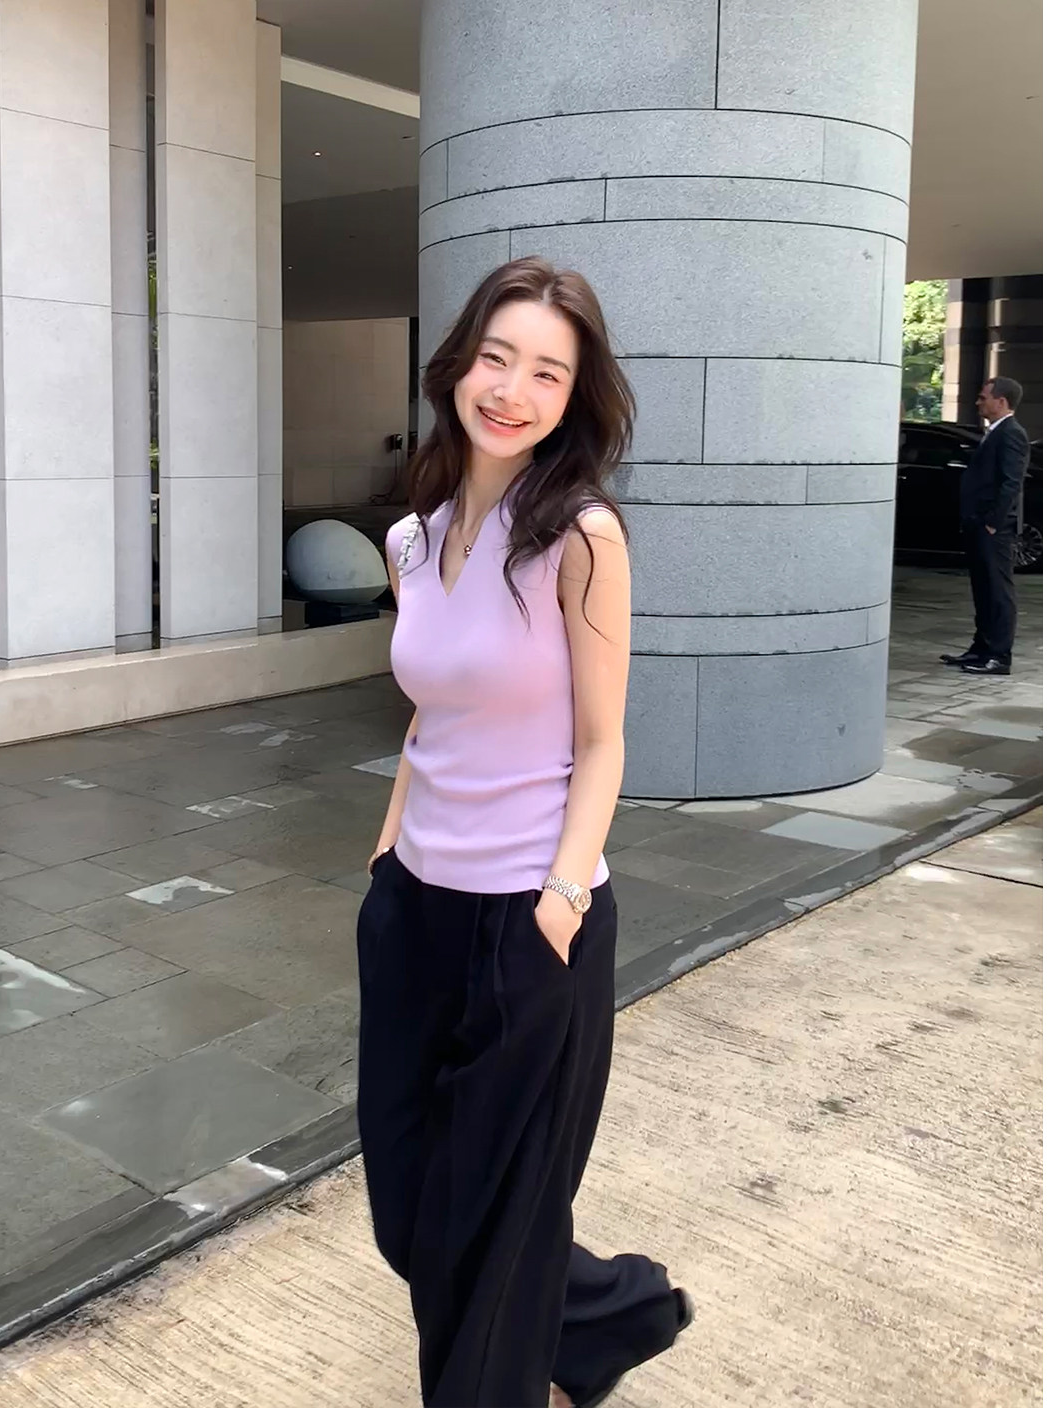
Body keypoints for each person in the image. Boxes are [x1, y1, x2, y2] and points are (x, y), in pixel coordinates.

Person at [355, 256, 694, 1408]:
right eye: (497, 358)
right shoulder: (413, 541)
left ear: (574, 396)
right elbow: (431, 708)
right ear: (458, 365)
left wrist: (560, 897)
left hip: (528, 920)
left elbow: (601, 741)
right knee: (413, 1214)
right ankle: (609, 1319)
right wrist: (388, 845)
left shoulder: (582, 536)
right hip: (413, 910)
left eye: (548, 371)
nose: (513, 389)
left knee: (487, 1230)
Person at [941, 375, 1032, 676]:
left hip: (995, 529)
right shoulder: (995, 431)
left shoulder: (1011, 433)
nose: (978, 402)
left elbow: (1011, 483)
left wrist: (994, 522)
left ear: (1001, 401)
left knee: (997, 591)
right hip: (979, 525)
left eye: (984, 397)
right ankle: (981, 648)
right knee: (983, 589)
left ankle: (998, 656)